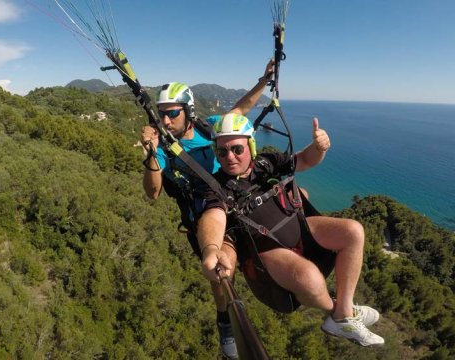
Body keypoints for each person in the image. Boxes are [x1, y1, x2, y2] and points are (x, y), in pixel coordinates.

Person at [196, 113, 385, 347]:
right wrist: (211, 248)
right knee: (308, 278)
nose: (230, 157)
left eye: (236, 149)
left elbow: (305, 160)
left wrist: (319, 147)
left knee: (353, 231)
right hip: (267, 247)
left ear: (251, 146)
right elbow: (213, 216)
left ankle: (344, 311)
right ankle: (338, 314)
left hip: (299, 225)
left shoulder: (267, 162)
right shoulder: (217, 187)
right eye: (222, 152)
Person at [140, 60, 274, 359]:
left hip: (235, 201)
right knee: (219, 274)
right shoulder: (161, 146)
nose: (165, 119)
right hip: (202, 215)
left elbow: (239, 112)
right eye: (162, 114)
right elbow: (152, 193)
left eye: (172, 113)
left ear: (188, 112)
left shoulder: (207, 127)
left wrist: (263, 81)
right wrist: (150, 152)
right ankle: (225, 323)